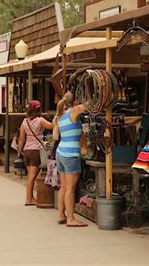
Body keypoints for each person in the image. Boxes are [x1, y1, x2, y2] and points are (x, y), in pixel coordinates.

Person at [55, 92, 88, 227]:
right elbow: (89, 105)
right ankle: (71, 219)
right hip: (70, 154)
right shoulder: (73, 112)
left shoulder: (60, 117)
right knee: (70, 189)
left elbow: (56, 136)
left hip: (60, 153)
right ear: (74, 102)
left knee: (63, 187)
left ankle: (60, 215)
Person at [17, 100, 53, 206]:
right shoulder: (40, 120)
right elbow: (51, 126)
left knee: (30, 176)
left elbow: (21, 139)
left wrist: (19, 151)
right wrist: (57, 117)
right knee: (32, 177)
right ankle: (28, 199)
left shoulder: (24, 121)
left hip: (27, 151)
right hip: (36, 151)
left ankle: (31, 197)